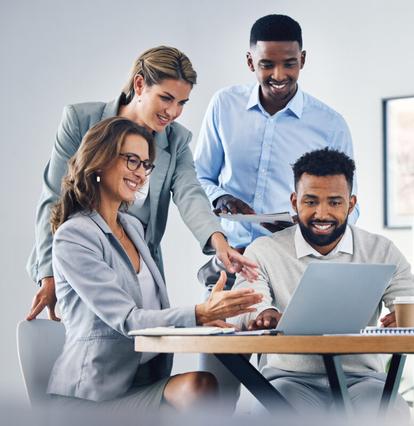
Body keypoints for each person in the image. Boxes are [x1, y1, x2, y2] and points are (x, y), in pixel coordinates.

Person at [27, 46, 257, 323]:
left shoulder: (175, 140)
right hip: (86, 257)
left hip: (140, 262)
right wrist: (48, 275)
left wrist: (220, 243)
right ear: (139, 84)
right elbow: (54, 197)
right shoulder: (81, 121)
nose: (173, 112)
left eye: (182, 103)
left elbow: (190, 194)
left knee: (150, 351)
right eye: (166, 98)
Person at [47, 117, 263, 410]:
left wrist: (204, 319)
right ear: (99, 160)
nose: (140, 173)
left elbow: (154, 314)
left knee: (206, 386)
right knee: (200, 388)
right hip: (92, 396)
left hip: (145, 381)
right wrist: (198, 313)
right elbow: (129, 320)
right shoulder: (74, 236)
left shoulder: (133, 227)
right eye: (132, 161)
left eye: (146, 165)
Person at [231, 148, 414, 416]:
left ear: (351, 204)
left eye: (334, 202)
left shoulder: (381, 250)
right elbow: (241, 308)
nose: (322, 213)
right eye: (310, 202)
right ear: (294, 201)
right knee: (272, 411)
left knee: (389, 412)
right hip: (289, 380)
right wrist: (262, 314)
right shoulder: (263, 251)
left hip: (362, 382)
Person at [194, 14, 359, 251]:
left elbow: (350, 207)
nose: (279, 75)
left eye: (289, 64)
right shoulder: (224, 105)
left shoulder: (331, 124)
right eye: (267, 64)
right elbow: (199, 176)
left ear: (302, 60)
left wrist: (309, 229)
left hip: (291, 260)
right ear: (251, 62)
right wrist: (220, 197)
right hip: (231, 256)